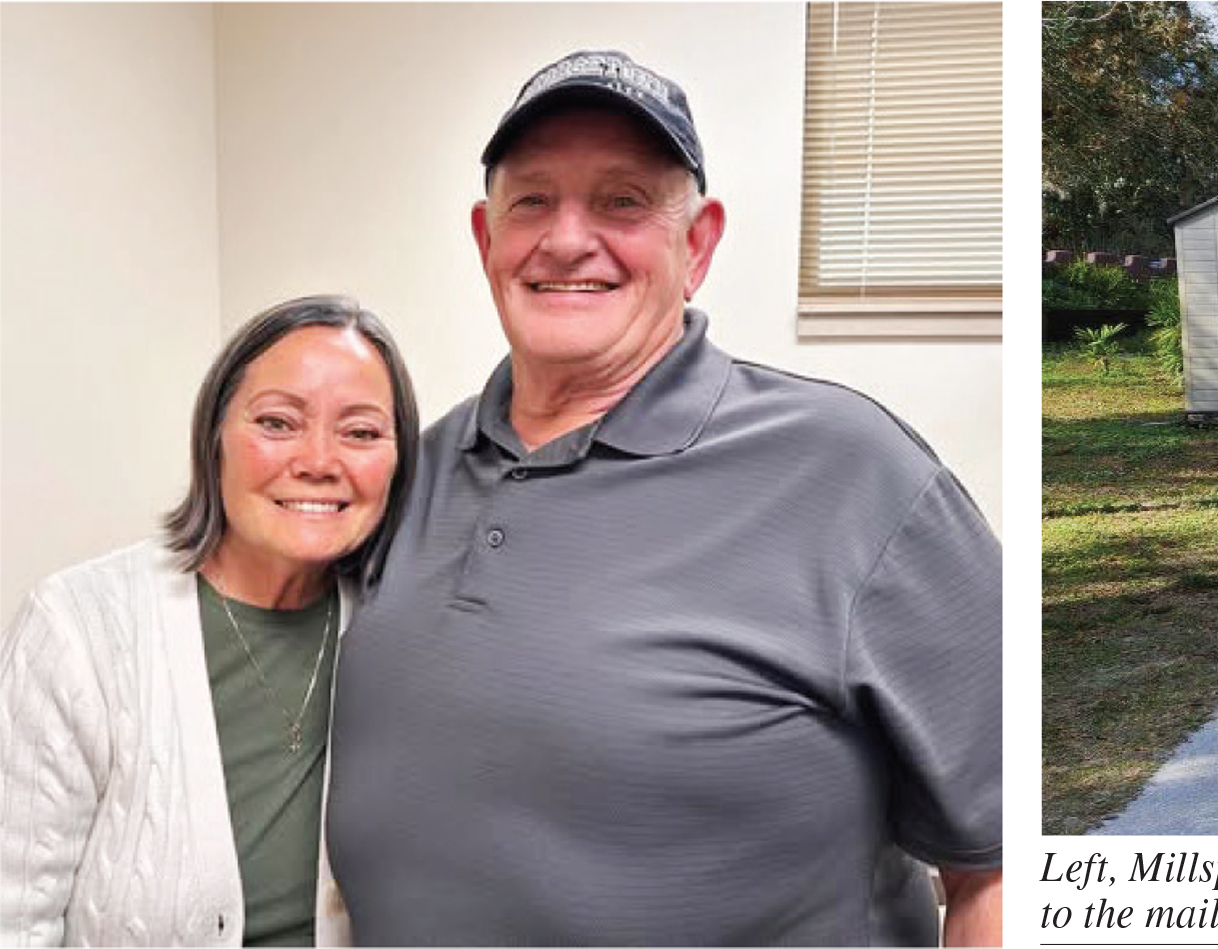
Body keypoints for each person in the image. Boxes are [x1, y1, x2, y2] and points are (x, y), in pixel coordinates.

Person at [323, 50, 1002, 946]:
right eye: (532, 200)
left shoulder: (853, 473)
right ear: (487, 241)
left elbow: (997, 862)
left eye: (622, 201)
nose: (567, 239)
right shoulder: (414, 470)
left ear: (700, 244)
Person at [0, 296, 420, 945]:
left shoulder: (401, 627)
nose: (318, 459)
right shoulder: (77, 629)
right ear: (214, 436)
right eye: (278, 422)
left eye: (361, 432)